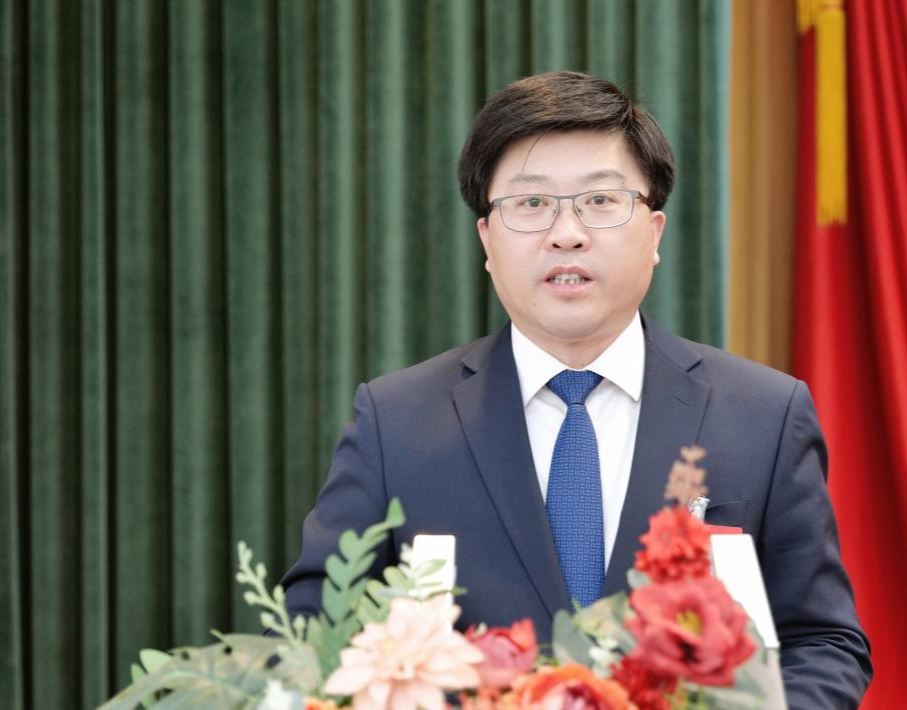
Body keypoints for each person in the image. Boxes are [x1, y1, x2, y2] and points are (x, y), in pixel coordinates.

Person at [280, 70, 872, 707]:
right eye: (531, 203)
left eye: (601, 200)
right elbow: (307, 642)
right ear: (487, 240)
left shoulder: (764, 416)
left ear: (655, 233)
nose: (567, 233)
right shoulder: (395, 423)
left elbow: (822, 641)